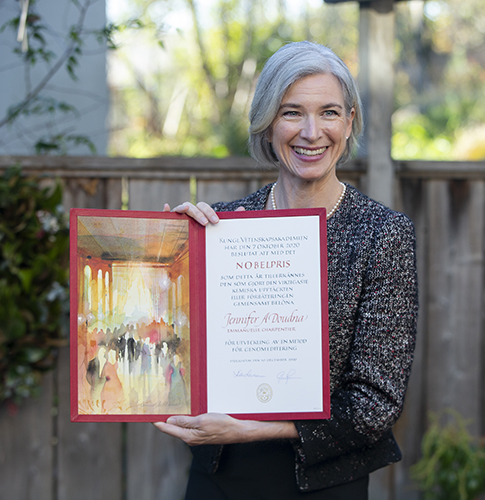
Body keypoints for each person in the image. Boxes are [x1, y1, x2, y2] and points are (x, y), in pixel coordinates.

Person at [154, 40, 418, 499]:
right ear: (268, 123)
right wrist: (169, 263)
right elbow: (170, 348)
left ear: (350, 120)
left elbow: (375, 405)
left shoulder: (382, 234)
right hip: (219, 477)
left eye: (330, 112)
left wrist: (251, 429)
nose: (312, 132)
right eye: (292, 112)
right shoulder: (219, 226)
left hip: (324, 483)